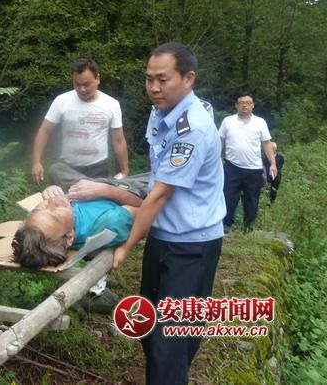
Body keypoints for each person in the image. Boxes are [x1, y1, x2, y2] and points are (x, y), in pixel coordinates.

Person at [112, 42, 226, 385]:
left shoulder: (193, 129)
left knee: (170, 340)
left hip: (191, 245)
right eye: (149, 79)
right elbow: (155, 179)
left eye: (163, 79)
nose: (154, 87)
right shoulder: (161, 113)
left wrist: (127, 246)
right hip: (163, 237)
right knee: (151, 330)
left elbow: (160, 193)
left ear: (188, 79)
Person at [31, 58, 130, 186]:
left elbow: (119, 140)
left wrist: (125, 171)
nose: (82, 89)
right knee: (65, 197)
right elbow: (44, 131)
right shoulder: (61, 101)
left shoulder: (111, 104)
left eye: (87, 84)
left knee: (95, 199)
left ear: (98, 79)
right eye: (77, 84)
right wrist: (36, 162)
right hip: (67, 169)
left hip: (98, 169)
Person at [12, 180, 141, 269]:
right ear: (69, 237)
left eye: (41, 207)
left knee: (58, 168)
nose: (51, 202)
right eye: (55, 214)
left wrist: (51, 190)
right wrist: (107, 190)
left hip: (92, 184)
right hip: (130, 188)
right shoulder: (110, 223)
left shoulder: (41, 224)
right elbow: (143, 208)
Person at [218, 92, 277, 232]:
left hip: (253, 168)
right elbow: (220, 140)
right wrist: (215, 159)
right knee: (228, 196)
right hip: (232, 166)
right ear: (236, 105)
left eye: (248, 103)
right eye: (241, 103)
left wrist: (273, 163)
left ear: (253, 105)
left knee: (252, 199)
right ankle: (226, 225)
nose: (245, 105)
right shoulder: (228, 121)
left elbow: (267, 143)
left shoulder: (260, 122)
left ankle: (248, 228)